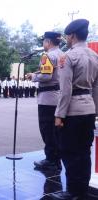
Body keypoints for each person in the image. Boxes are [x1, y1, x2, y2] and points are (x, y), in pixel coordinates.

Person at [50, 19, 98, 199]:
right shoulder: (94, 56)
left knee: (68, 151)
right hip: (88, 109)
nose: (66, 39)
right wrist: (95, 111)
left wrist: (59, 114)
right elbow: (96, 88)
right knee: (84, 151)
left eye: (67, 36)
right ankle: (82, 190)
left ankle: (72, 191)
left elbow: (66, 89)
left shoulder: (67, 56)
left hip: (72, 110)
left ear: (72, 36)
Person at [26, 31, 63, 171]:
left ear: (48, 42)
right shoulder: (62, 54)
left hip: (47, 99)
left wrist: (33, 77)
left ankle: (51, 160)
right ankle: (56, 159)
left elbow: (46, 76)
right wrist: (37, 73)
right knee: (56, 131)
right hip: (58, 96)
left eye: (44, 41)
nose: (43, 44)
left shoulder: (47, 55)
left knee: (47, 130)